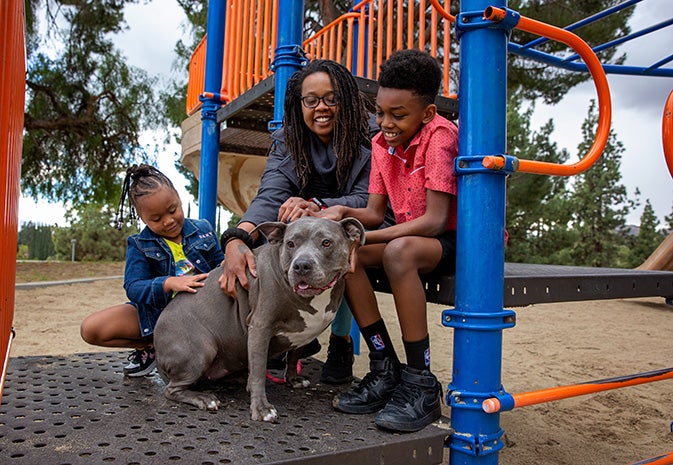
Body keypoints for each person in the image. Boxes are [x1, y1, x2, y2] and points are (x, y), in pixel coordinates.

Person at [218, 59, 386, 385]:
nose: (321, 108)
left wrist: (317, 207)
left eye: (331, 98)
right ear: (300, 104)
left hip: (367, 222)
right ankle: (286, 338)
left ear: (347, 99)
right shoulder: (288, 140)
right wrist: (237, 238)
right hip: (311, 225)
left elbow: (370, 199)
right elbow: (270, 196)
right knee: (273, 244)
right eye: (311, 100)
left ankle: (344, 342)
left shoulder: (371, 134)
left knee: (338, 248)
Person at [320, 49, 458, 432]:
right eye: (380, 112)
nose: (385, 123)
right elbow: (375, 212)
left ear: (427, 113)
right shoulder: (382, 143)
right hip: (409, 237)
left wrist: (362, 233)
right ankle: (384, 365)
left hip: (449, 241)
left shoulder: (440, 137)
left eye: (398, 115)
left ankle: (421, 381)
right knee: (348, 254)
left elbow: (433, 221)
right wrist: (337, 216)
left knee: (396, 252)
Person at [80, 164, 224, 377]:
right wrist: (168, 283)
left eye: (173, 210)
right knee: (91, 328)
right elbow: (134, 287)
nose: (168, 221)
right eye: (156, 219)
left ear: (178, 197)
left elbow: (220, 264)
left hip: (204, 316)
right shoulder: (139, 244)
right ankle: (152, 347)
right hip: (160, 317)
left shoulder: (203, 230)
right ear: (142, 218)